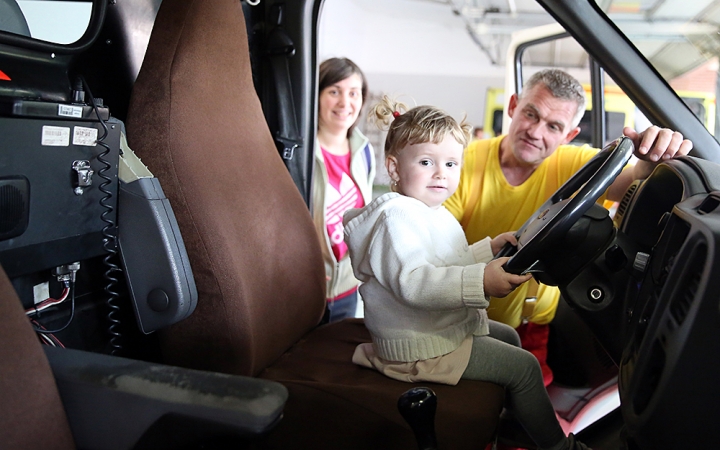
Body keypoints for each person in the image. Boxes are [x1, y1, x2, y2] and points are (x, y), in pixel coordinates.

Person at [343, 96, 591, 450]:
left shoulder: (431, 211)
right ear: (395, 169)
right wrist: (482, 280)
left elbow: (447, 260)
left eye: (451, 163)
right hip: (417, 346)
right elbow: (415, 282)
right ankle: (558, 446)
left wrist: (487, 250)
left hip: (435, 328)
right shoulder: (395, 219)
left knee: (508, 336)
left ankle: (513, 411)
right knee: (523, 367)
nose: (441, 173)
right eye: (426, 162)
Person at [444, 69, 693, 385]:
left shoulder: (574, 163)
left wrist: (651, 158)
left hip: (535, 329)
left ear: (569, 136)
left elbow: (631, 179)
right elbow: (438, 248)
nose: (536, 131)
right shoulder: (461, 162)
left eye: (553, 126)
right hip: (461, 322)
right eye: (530, 114)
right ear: (512, 107)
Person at [312, 57, 375, 323]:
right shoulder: (302, 155)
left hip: (348, 288)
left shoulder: (364, 151)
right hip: (308, 287)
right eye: (334, 91)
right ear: (317, 95)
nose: (344, 103)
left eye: (353, 93)